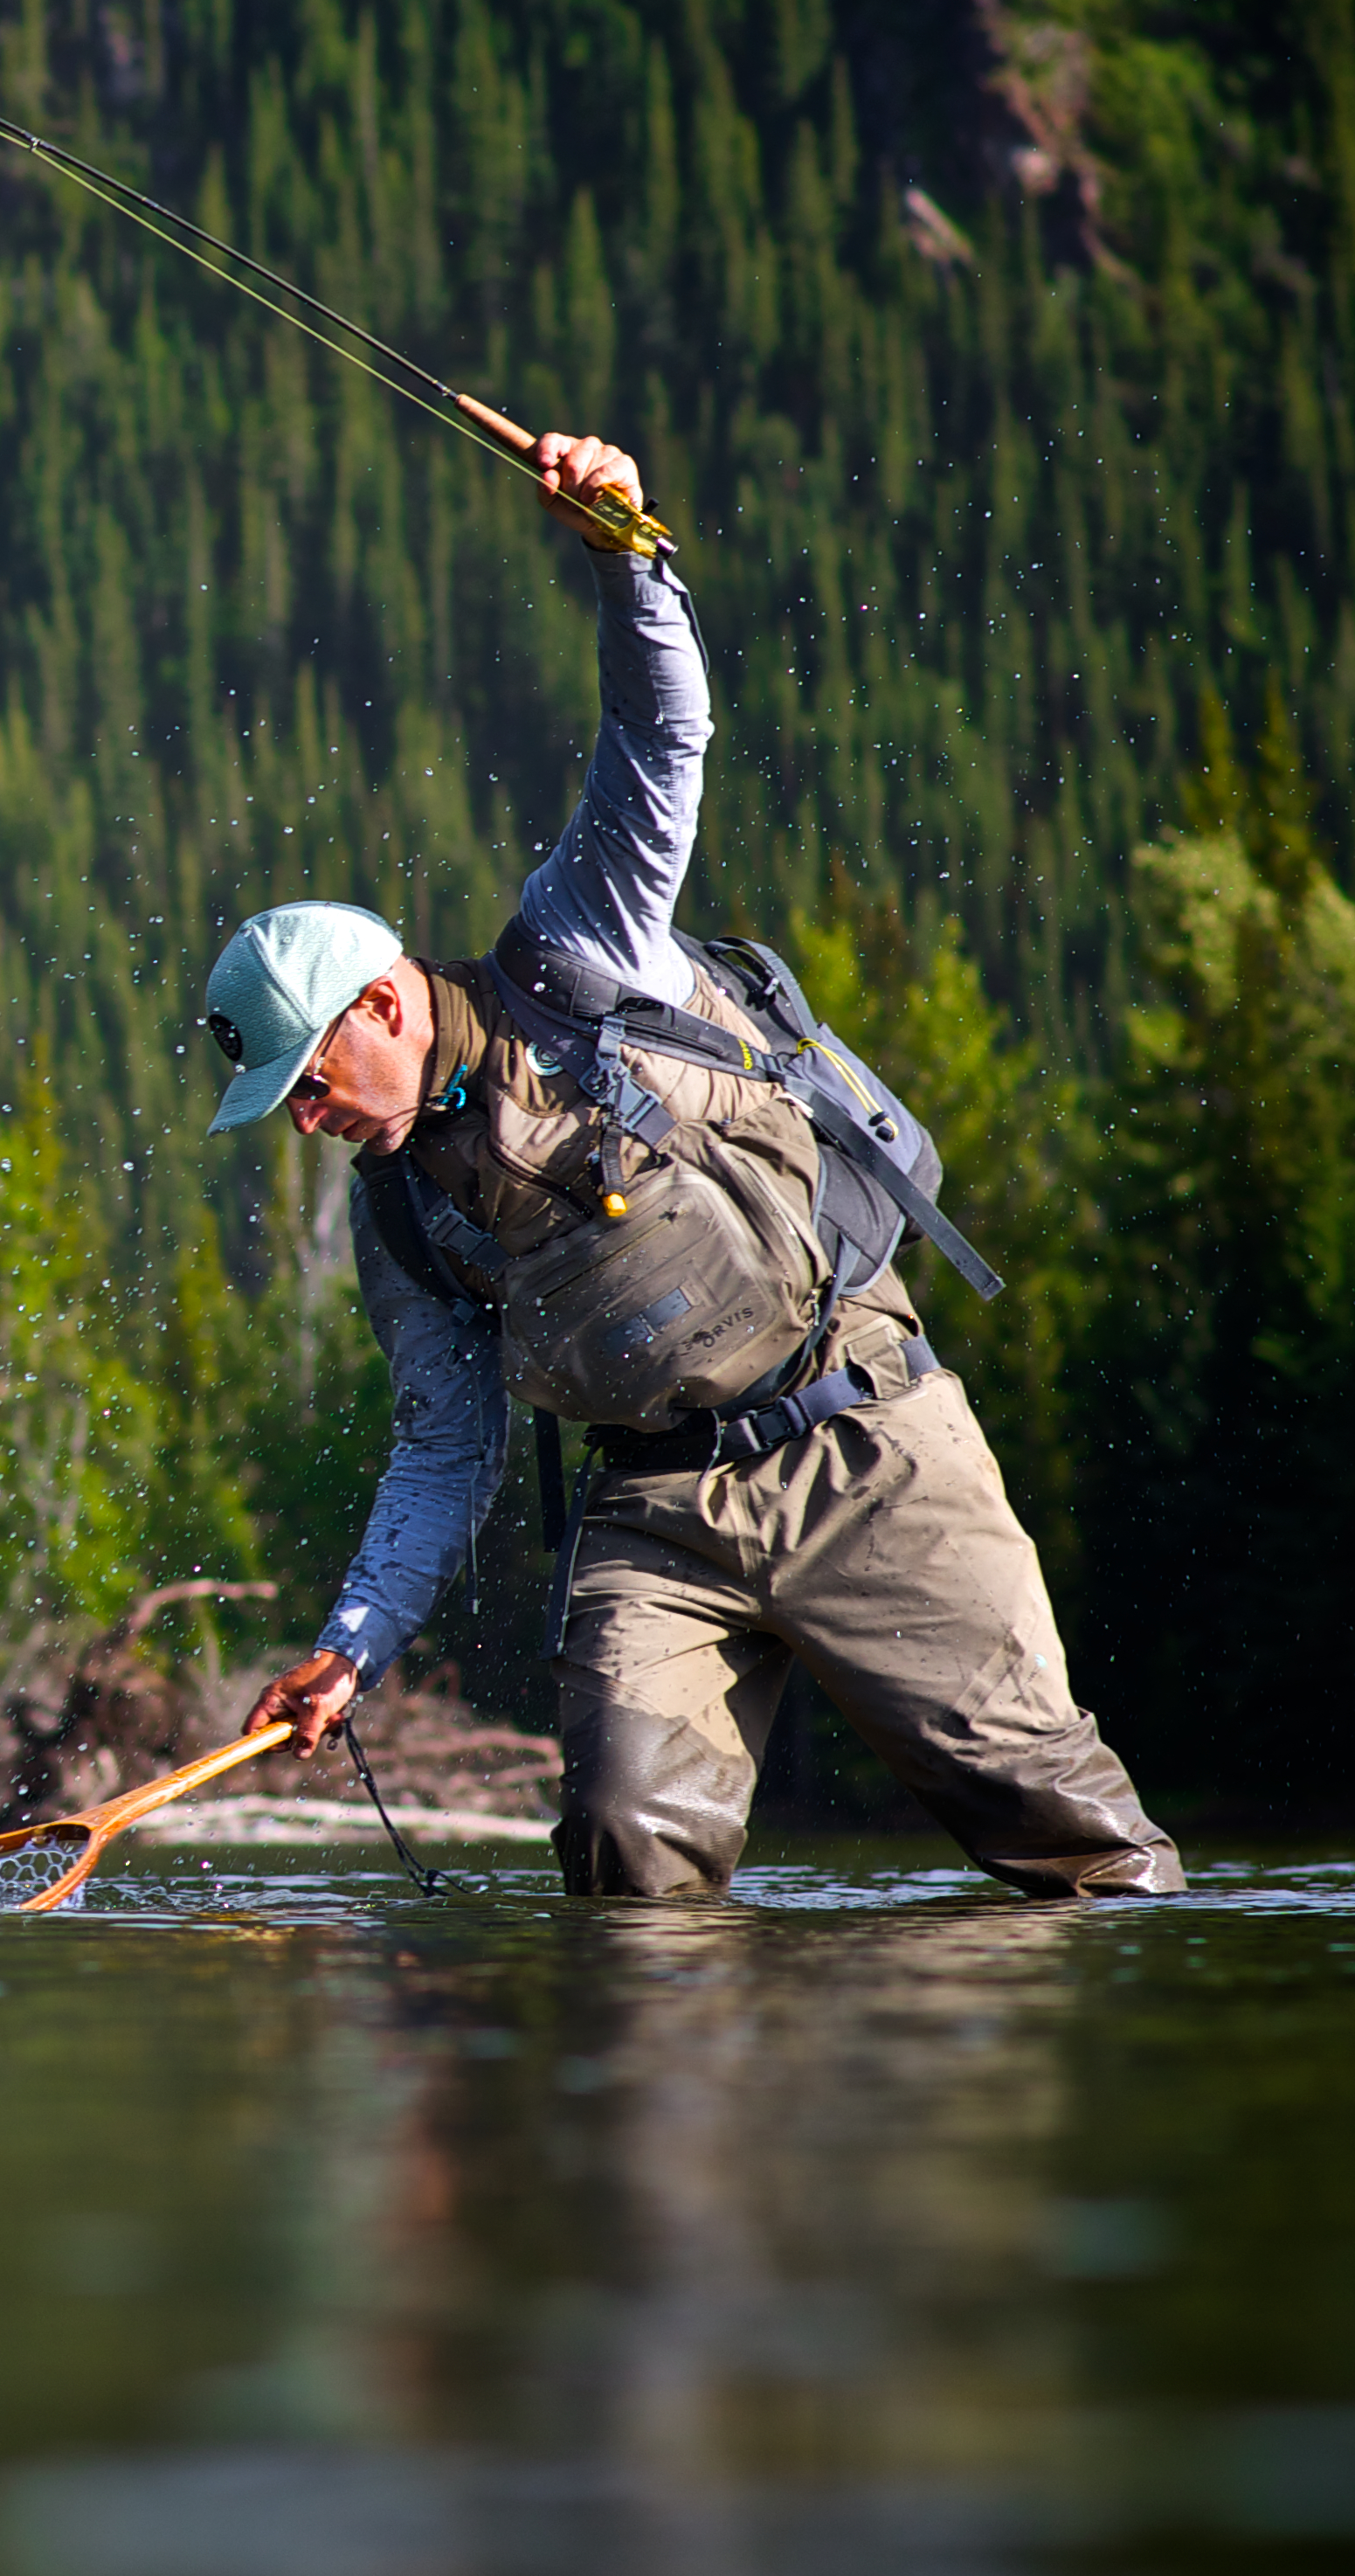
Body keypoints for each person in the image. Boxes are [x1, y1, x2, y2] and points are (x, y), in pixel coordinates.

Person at [200, 433, 1178, 1900]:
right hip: (655, 1519)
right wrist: (350, 1647)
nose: (306, 1119)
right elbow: (443, 1451)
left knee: (1066, 1836)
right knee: (621, 1861)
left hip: (865, 1439)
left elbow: (658, 739)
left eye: (311, 1081)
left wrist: (624, 557)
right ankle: (657, 2123)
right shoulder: (402, 1219)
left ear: (385, 1006)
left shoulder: (577, 946)